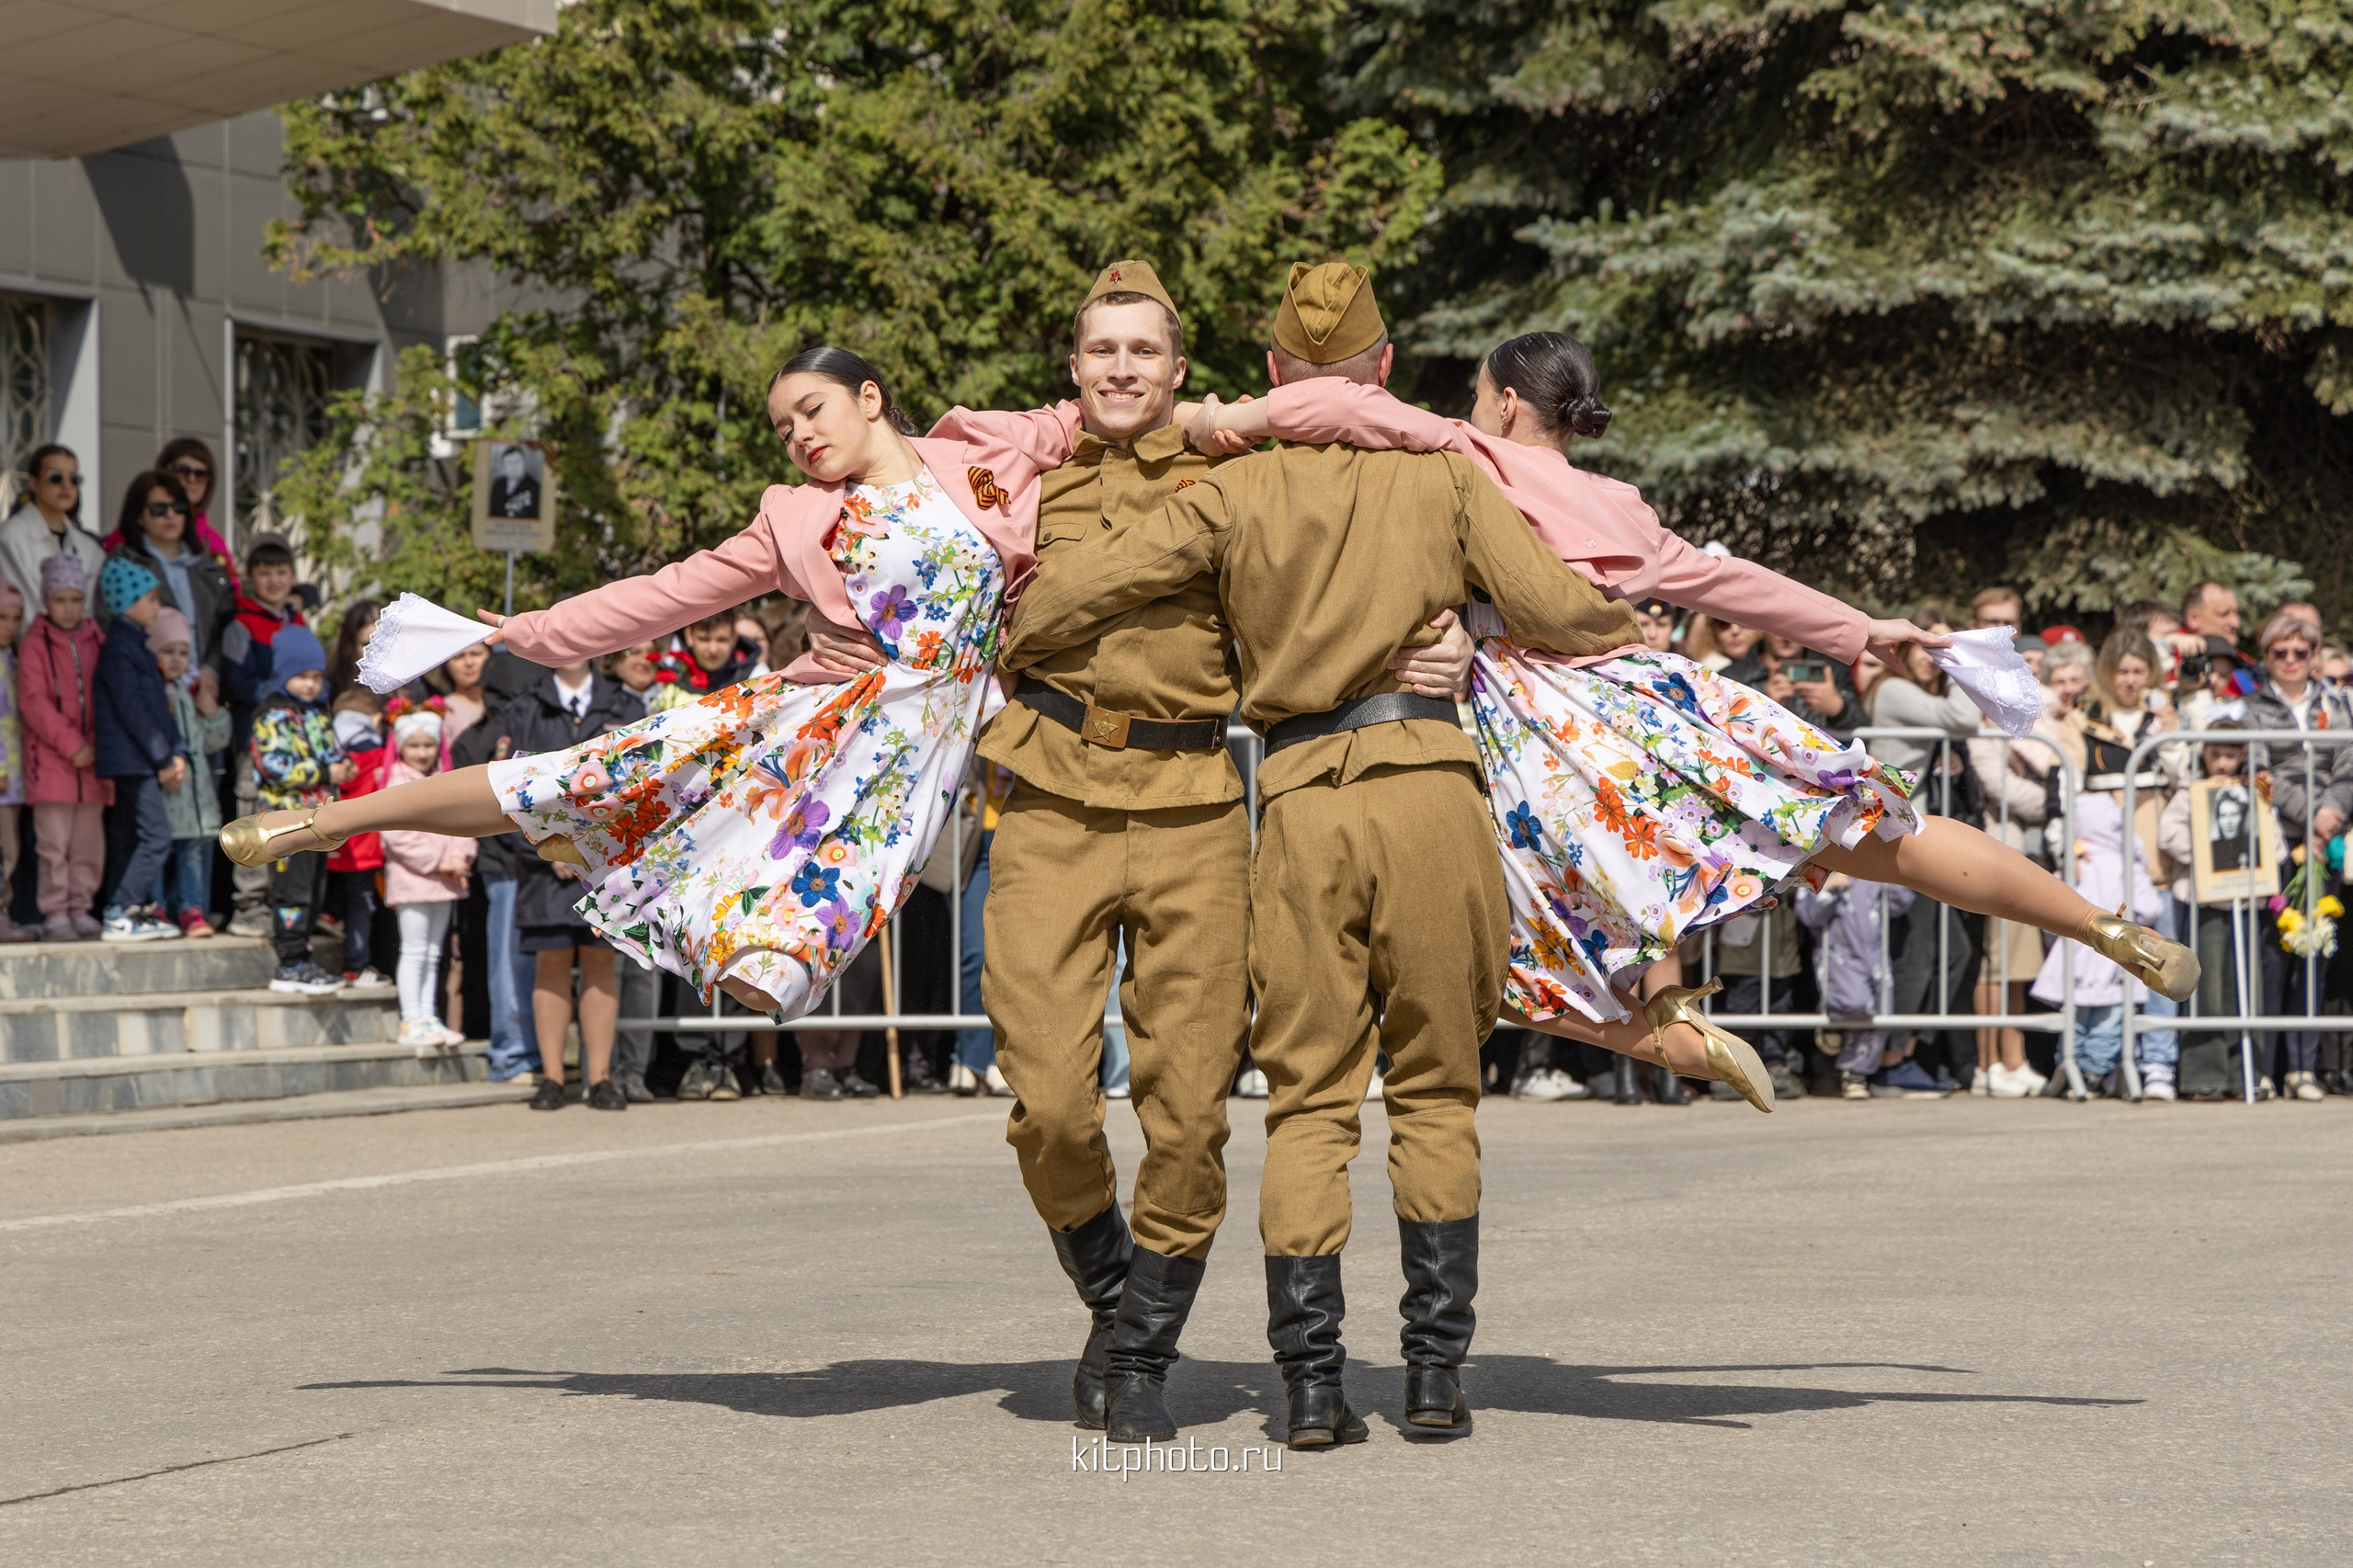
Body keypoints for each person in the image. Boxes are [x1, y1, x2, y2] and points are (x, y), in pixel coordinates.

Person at [797, 261, 1468, 1441]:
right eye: (1101, 349)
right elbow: (902, 552)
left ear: (1177, 368)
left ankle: (1142, 1351)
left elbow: (1351, 574)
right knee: (1050, 1100)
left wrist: (1459, 638)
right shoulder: (1014, 481)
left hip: (1193, 806)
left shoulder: (1236, 476)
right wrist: (835, 626)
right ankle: (1115, 1297)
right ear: (1073, 367)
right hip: (1048, 797)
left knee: (1189, 1112)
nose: (1121, 368)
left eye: (1143, 350)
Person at [1190, 329, 2202, 1089]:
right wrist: (1860, 627)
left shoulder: (1467, 453)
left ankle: (1669, 1042)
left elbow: (1341, 406)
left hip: (1539, 732)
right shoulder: (1623, 506)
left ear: (1504, 402)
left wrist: (1216, 421)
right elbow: (1734, 583)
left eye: (1475, 394)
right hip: (1652, 701)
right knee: (1873, 828)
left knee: (1478, 943)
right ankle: (2103, 926)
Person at [1005, 262, 1643, 1450]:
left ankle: (1305, 1384)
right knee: (1437, 1092)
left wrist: (1014, 634)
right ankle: (1434, 1376)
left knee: (1303, 1101)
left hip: (1288, 800)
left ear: (1270, 374)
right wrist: (1550, 627)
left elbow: (1091, 580)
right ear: (1383, 369)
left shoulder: (1232, 484)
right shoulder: (1444, 474)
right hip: (1420, 787)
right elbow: (1559, 602)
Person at [222, 346, 1071, 1115]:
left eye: (812, 410)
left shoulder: (983, 451)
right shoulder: (799, 519)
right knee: (572, 778)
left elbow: (1098, 413)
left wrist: (1168, 393)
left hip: (901, 779)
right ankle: (331, 820)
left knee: (770, 978)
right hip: (812, 732)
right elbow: (671, 592)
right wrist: (534, 629)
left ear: (871, 397)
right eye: (783, 429)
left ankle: (628, 865)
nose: (799, 437)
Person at [503, 655, 640, 1110]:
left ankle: (599, 1078)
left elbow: (638, 783)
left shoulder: (624, 703)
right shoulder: (526, 706)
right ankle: (553, 1077)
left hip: (607, 861)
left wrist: (595, 848)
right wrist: (548, 847)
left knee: (601, 962)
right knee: (552, 962)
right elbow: (509, 786)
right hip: (545, 864)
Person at [2240, 609, 2351, 1100]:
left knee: (2315, 948)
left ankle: (2302, 1067)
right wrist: (2310, 814)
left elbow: (2349, 762)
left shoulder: (2336, 703)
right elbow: (2259, 769)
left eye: (2300, 652)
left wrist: (2330, 815)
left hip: (2327, 840)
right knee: (2273, 954)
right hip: (2278, 839)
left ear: (2314, 655)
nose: (2290, 660)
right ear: (2266, 657)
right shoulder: (2251, 707)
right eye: (2278, 652)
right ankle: (2266, 1067)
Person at [2032, 793, 2166, 1096]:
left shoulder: (2075, 864)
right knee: (2109, 1021)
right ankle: (2093, 1072)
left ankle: (2071, 1068)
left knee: (2075, 1020)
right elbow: (2150, 907)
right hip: (2114, 958)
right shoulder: (2126, 864)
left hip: (2076, 957)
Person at [248, 627, 350, 994]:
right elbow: (273, 765)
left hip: (318, 819)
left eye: (316, 677)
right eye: (302, 676)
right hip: (287, 822)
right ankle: (289, 962)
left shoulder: (317, 711)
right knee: (292, 891)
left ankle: (303, 955)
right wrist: (324, 772)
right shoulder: (273, 714)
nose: (310, 684)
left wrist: (344, 764)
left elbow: (330, 750)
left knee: (314, 889)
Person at [91, 558, 187, 943]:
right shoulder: (121, 650)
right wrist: (163, 758)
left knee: (130, 836)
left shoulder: (133, 646)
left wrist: (175, 751)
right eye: (151, 599)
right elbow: (136, 713)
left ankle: (127, 909)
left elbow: (154, 711)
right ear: (128, 601)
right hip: (137, 761)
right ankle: (121, 909)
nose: (157, 608)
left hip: (138, 759)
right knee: (156, 836)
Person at [218, 535, 307, 937]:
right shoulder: (240, 624)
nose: (274, 580)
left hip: (295, 744)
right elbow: (239, 684)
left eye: (281, 572)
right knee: (251, 814)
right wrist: (285, 690)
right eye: (265, 572)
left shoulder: (298, 621)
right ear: (250, 577)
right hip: (253, 740)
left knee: (287, 818)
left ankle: (281, 903)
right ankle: (248, 905)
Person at [20, 554, 108, 939]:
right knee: (53, 845)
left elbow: (107, 692)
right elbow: (34, 702)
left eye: (76, 599)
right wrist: (72, 744)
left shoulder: (97, 639)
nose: (69, 608)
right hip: (51, 761)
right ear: (46, 600)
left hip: (93, 762)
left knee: (89, 844)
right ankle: (56, 910)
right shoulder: (34, 643)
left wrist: (98, 744)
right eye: (60, 600)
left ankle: (81, 906)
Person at [379, 709, 472, 1051]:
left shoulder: (444, 778)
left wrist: (461, 857)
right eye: (414, 745)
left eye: (428, 745)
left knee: (434, 953)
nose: (422, 752)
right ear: (400, 745)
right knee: (415, 950)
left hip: (445, 880)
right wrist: (439, 861)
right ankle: (411, 1018)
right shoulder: (395, 781)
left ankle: (428, 1015)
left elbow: (466, 819)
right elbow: (396, 834)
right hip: (413, 880)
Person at [1797, 871, 1918, 1098]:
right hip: (1839, 956)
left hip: (1876, 957)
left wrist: (1890, 878)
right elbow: (1808, 915)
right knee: (1854, 1003)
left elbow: (1901, 903)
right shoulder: (1821, 870)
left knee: (1881, 1015)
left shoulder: (1870, 872)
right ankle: (1834, 1023)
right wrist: (1829, 887)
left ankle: (1855, 1074)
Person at [149, 608, 228, 937]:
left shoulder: (187, 692)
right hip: (168, 788)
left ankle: (191, 909)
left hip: (194, 795)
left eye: (183, 652)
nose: (176, 659)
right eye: (168, 651)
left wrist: (213, 714)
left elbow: (210, 742)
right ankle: (155, 907)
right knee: (157, 851)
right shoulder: (154, 691)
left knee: (191, 853)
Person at [108, 470, 233, 673]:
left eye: (179, 508)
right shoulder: (123, 564)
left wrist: (210, 672)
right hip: (144, 680)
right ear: (139, 516)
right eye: (159, 509)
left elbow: (226, 630)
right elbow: (108, 626)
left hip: (207, 686)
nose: (170, 515)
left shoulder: (211, 570)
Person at [0, 445, 105, 626]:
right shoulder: (11, 537)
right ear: (33, 483)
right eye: (55, 477)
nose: (66, 485)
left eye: (74, 479)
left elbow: (91, 615)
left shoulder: (91, 550)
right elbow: (23, 610)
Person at [100, 439, 236, 571]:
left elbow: (230, 585)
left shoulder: (213, 542)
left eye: (200, 474)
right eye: (182, 470)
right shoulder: (127, 534)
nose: (191, 479)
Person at [0, 581, 31, 943]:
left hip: (16, 779)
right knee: (5, 850)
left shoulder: (14, 658)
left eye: (16, 618)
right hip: (4, 777)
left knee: (11, 849)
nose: (9, 626)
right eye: (2, 617)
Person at [487, 445, 540, 518]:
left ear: (524, 462)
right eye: (509, 463)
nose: (514, 466)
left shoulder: (535, 487)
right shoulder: (498, 484)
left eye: (517, 461)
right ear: (504, 466)